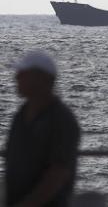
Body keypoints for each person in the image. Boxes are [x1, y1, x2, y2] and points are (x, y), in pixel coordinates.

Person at [5, 50, 80, 207]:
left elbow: (57, 175)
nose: (16, 77)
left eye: (23, 74)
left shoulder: (62, 120)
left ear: (42, 79)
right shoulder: (20, 116)